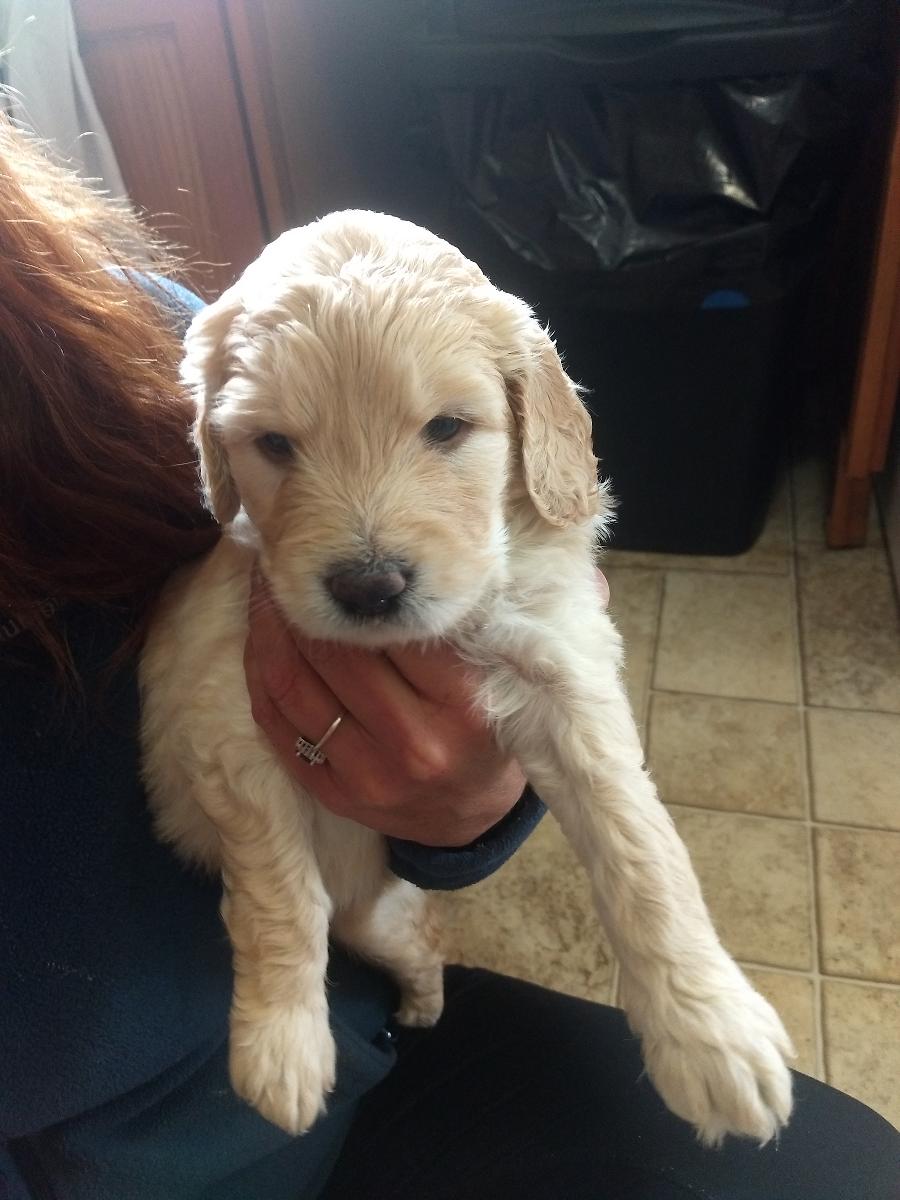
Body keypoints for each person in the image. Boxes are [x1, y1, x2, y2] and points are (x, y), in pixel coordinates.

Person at [0, 119, 896, 1200]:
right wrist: (281, 972)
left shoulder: (91, 334)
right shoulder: (226, 430)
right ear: (225, 448)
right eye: (277, 446)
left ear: (534, 418)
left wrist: (490, 821)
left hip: (305, 1049)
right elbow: (229, 752)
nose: (368, 555)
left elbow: (572, 735)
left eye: (445, 430)